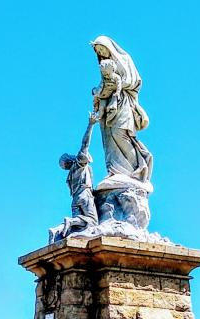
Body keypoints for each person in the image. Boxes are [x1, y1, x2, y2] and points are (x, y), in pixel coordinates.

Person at [91, 36, 153, 184]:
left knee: (120, 133)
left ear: (109, 48)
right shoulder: (104, 67)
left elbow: (135, 81)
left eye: (102, 49)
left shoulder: (124, 59)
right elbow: (102, 86)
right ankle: (114, 170)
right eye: (98, 51)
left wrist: (115, 86)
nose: (101, 53)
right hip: (108, 104)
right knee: (109, 136)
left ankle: (138, 167)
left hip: (123, 101)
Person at [48, 113, 99, 244]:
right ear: (71, 160)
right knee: (93, 222)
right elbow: (85, 144)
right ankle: (69, 221)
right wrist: (91, 124)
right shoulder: (79, 165)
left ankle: (57, 230)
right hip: (84, 195)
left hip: (75, 199)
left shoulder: (70, 176)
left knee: (78, 227)